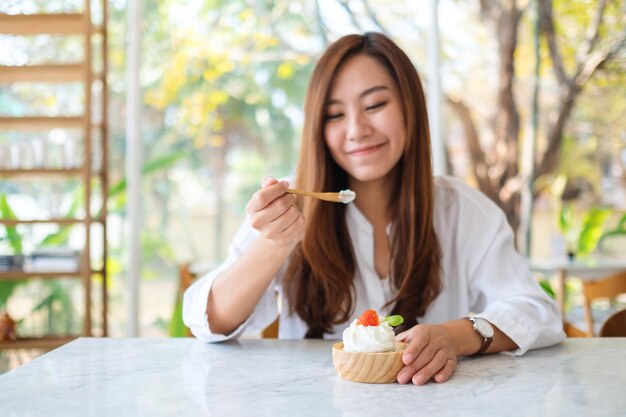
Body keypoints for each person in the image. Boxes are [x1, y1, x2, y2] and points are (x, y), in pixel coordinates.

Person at [183, 32, 564, 385]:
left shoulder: (462, 209)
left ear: (410, 106)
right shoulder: (291, 204)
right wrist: (274, 243)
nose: (356, 129)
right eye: (335, 115)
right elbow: (208, 322)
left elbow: (538, 312)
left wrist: (454, 336)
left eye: (375, 104)